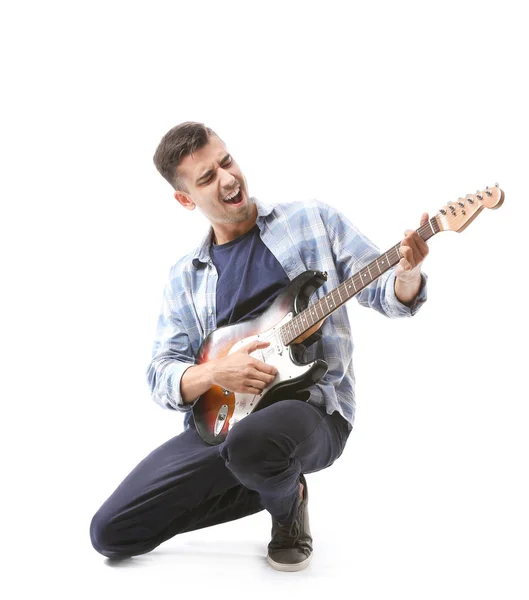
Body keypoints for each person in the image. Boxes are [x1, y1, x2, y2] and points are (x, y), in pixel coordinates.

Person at [89, 121, 429, 572]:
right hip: (221, 424)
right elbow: (160, 373)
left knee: (253, 441)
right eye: (207, 178)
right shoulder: (184, 277)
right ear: (185, 199)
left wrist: (406, 274)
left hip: (313, 412)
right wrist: (214, 373)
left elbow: (384, 292)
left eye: (225, 161)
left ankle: (286, 509)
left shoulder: (311, 220)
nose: (228, 179)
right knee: (111, 532)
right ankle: (273, 480)